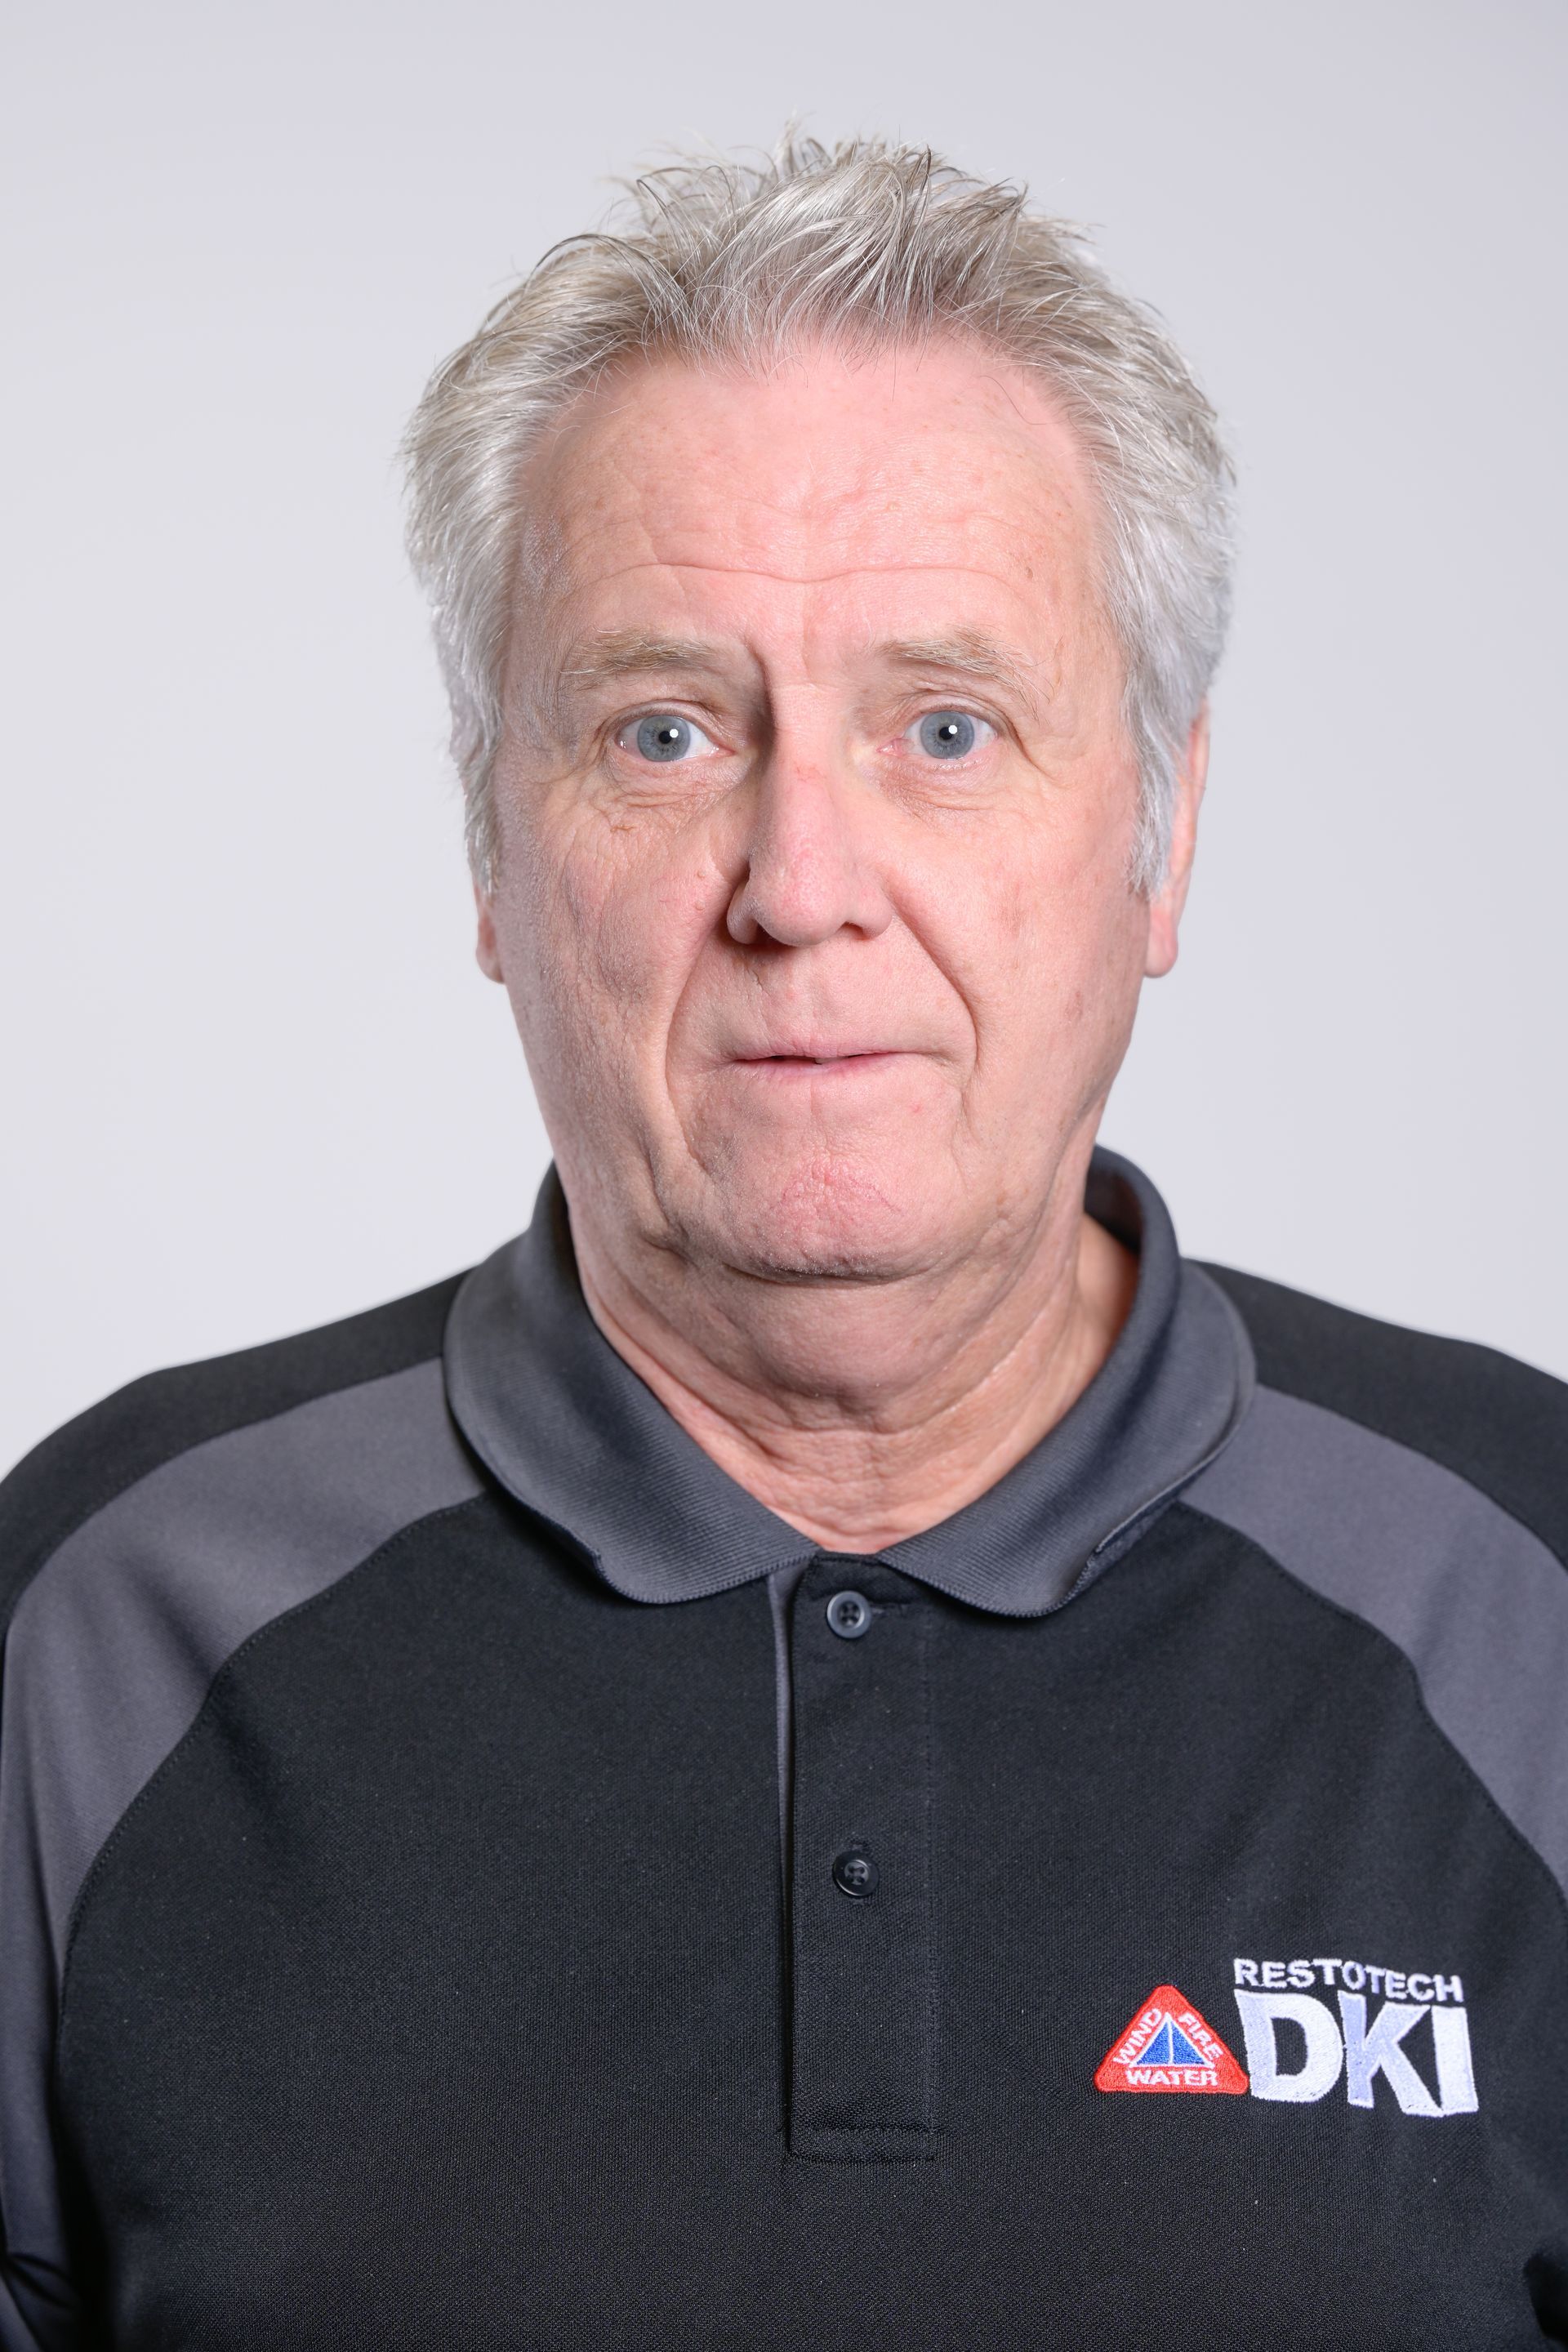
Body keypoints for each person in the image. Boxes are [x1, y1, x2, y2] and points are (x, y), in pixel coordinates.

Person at [2, 136, 1564, 2352]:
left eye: (945, 728)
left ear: (1163, 831)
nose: (797, 878)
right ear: (488, 848)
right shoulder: (89, 1633)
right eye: (664, 730)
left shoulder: (1531, 1605)